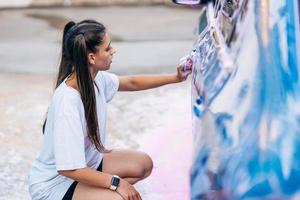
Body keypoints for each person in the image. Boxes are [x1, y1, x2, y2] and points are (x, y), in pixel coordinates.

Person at [28, 19, 192, 200]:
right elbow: (69, 168)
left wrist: (176, 77)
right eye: (107, 48)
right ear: (91, 57)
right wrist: (116, 183)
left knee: (143, 164)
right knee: (120, 197)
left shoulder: (94, 79)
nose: (113, 51)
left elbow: (131, 82)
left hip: (87, 165)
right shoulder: (67, 102)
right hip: (55, 185)